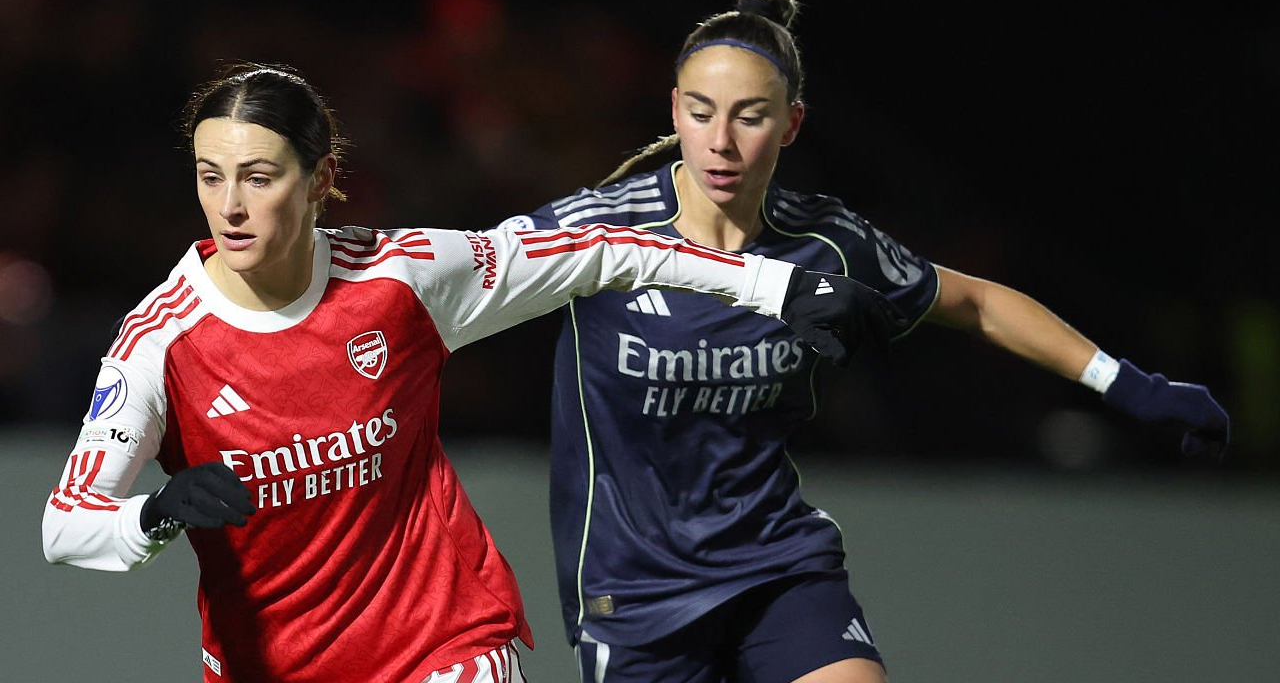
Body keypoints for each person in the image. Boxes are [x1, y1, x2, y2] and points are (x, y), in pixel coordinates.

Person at [40, 62, 905, 683]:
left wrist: (770, 282)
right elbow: (65, 528)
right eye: (210, 177)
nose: (229, 205)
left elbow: (598, 250)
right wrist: (154, 513)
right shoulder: (161, 340)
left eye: (258, 177)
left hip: (441, 640)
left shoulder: (403, 279)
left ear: (320, 181)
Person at [489, 0, 1231, 683]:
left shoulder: (829, 241)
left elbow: (973, 302)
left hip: (775, 564)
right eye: (701, 111)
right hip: (635, 591)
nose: (721, 140)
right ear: (674, 110)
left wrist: (1124, 382)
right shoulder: (597, 231)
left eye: (750, 115)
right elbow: (455, 274)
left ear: (792, 123)